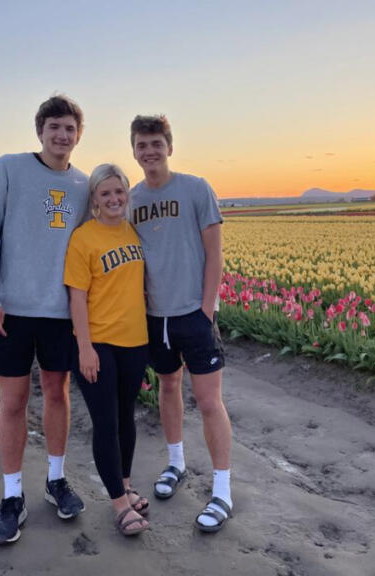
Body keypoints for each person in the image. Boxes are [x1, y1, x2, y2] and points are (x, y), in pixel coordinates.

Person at [0, 95, 89, 546]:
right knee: (14, 402)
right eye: (54, 127)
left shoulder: (82, 184)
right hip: (12, 311)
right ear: (39, 130)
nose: (62, 135)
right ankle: (11, 496)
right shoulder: (8, 169)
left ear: (78, 136)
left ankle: (56, 480)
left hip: (59, 311)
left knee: (58, 394)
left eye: (70, 129)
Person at [129, 114, 233, 533]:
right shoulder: (131, 198)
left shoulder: (195, 188)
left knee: (209, 402)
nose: (150, 151)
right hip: (154, 317)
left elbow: (215, 254)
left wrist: (206, 311)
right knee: (167, 386)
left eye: (157, 143)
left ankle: (222, 491)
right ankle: (176, 464)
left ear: (169, 147)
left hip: (193, 313)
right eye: (142, 145)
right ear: (134, 151)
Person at [64, 163, 150, 536]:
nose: (114, 199)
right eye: (105, 194)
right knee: (106, 422)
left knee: (126, 417)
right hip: (98, 343)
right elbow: (77, 298)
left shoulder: (134, 231)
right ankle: (118, 503)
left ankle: (126, 484)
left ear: (127, 194)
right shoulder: (84, 238)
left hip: (135, 340)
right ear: (95, 200)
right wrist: (84, 348)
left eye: (119, 192)